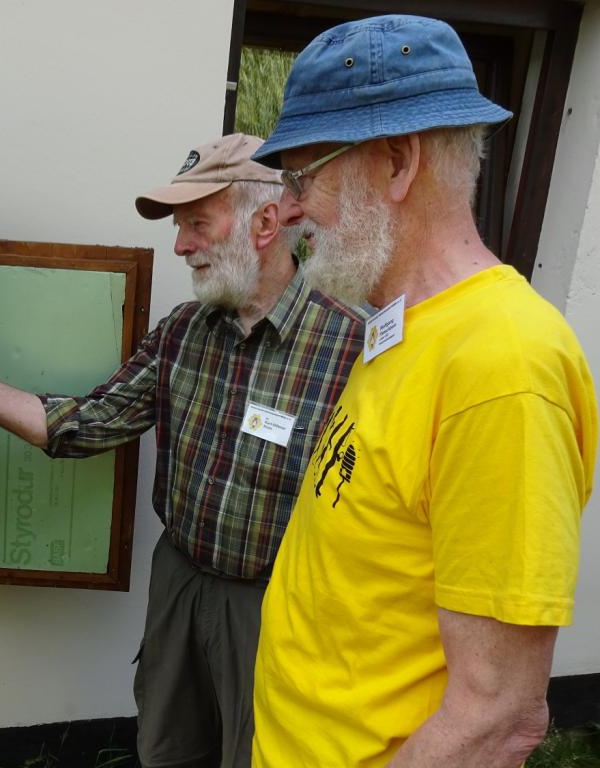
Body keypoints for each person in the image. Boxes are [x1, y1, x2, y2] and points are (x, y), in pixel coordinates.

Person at [0, 133, 365, 768]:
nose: (180, 245)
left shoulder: (352, 349)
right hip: (181, 583)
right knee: (169, 749)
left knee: (268, 755)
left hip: (280, 604)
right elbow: (82, 425)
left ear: (266, 222)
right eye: (179, 226)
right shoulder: (183, 334)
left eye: (197, 223)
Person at [248, 15, 599, 768]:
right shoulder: (406, 327)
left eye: (302, 174)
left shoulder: (501, 369)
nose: (291, 207)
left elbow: (499, 717)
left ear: (399, 161)